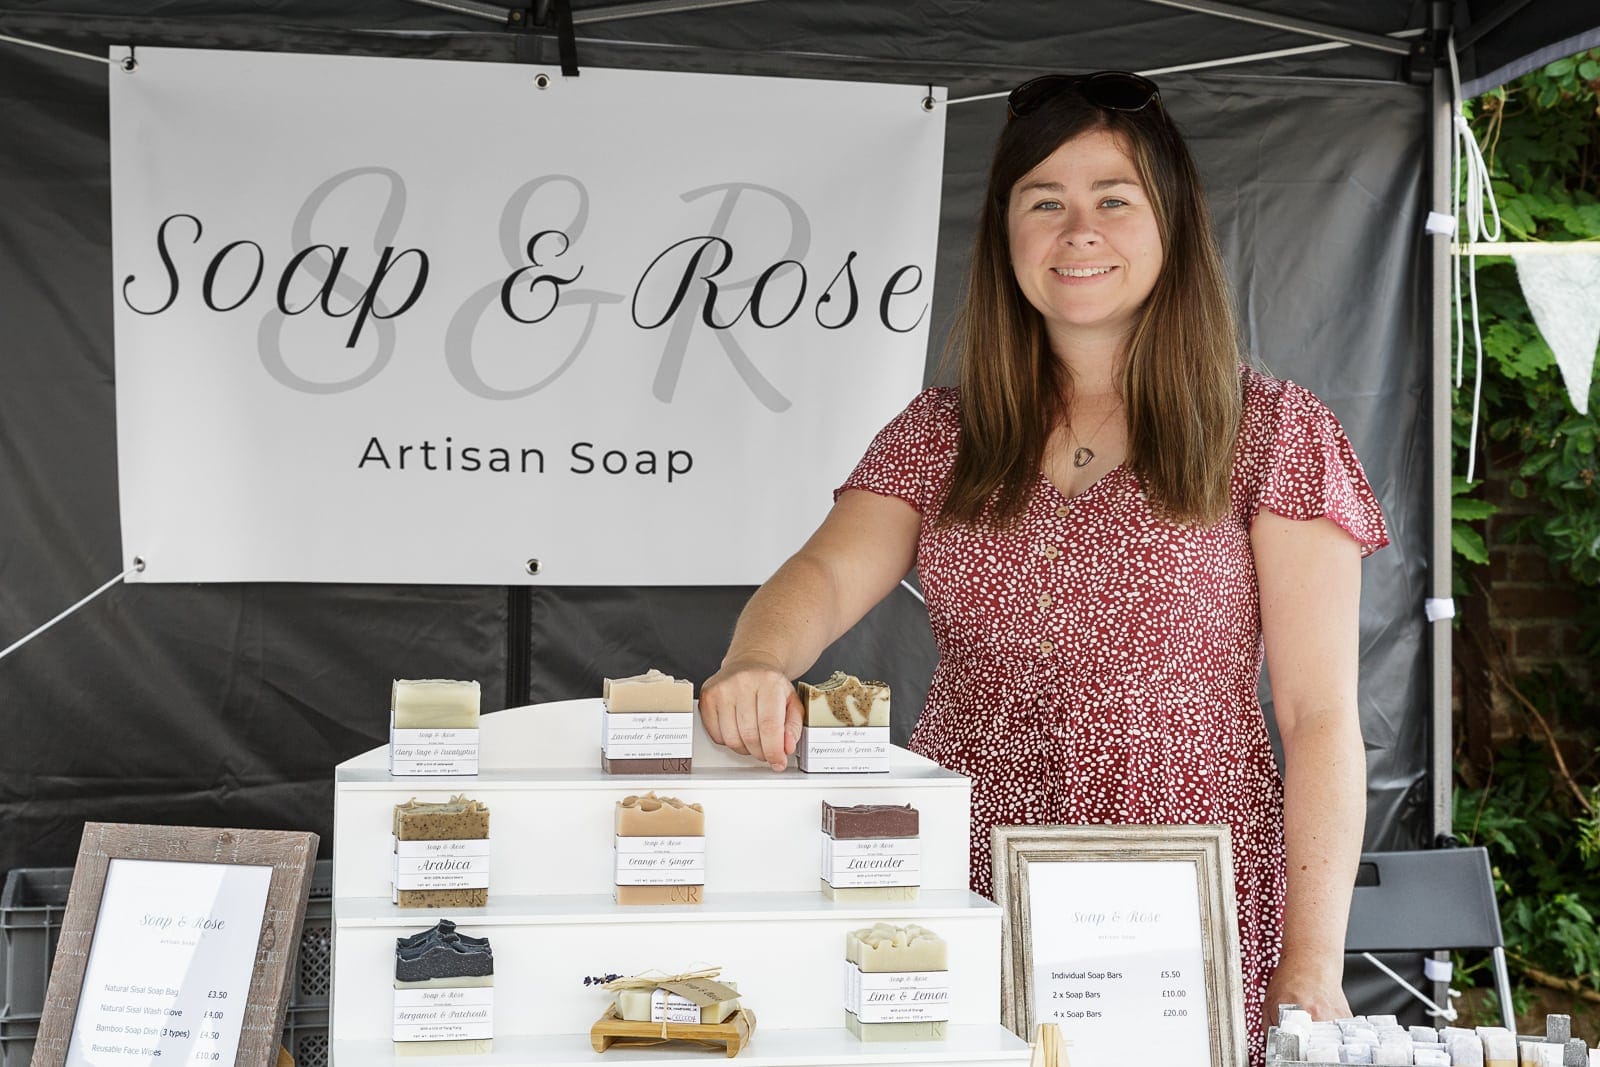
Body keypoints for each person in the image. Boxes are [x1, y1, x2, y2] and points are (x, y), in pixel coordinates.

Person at [698, 71, 1389, 1060]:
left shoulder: (1275, 431)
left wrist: (1314, 959)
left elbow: (1318, 717)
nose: (1078, 230)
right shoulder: (941, 432)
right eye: (1044, 201)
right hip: (967, 885)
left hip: (1186, 912)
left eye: (1114, 198)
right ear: (1005, 230)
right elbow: (822, 573)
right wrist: (758, 660)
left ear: (1173, 223)